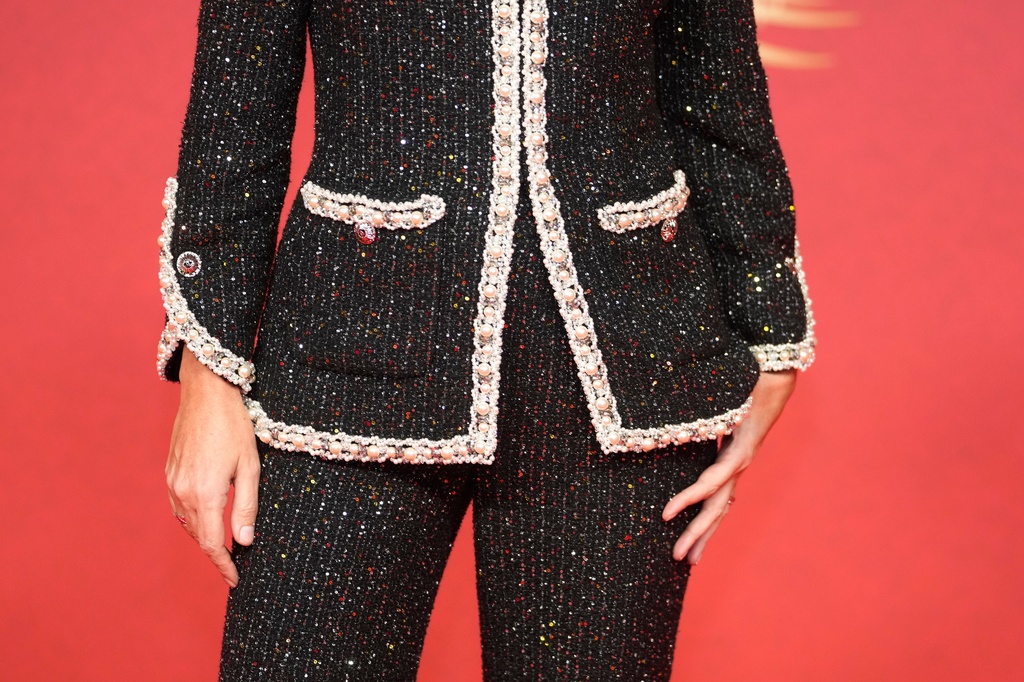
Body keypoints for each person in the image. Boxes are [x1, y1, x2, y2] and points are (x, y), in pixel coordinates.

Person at [159, 0, 816, 679]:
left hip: (624, 373)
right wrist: (208, 368)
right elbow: (231, 127)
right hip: (348, 352)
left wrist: (773, 336)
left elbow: (720, 110)